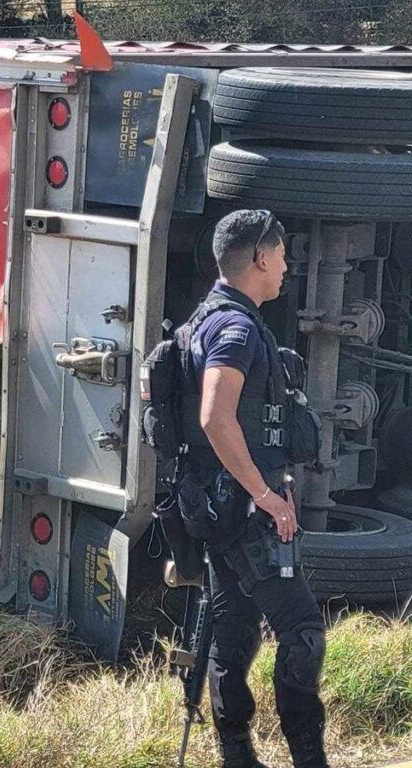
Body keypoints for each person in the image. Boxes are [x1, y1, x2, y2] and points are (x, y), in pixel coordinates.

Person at [179, 210, 328, 768]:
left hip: (216, 508)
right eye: (283, 255)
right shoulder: (236, 328)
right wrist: (265, 496)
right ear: (261, 258)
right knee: (304, 632)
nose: (287, 268)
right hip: (245, 508)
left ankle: (236, 756)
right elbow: (217, 416)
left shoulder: (202, 319)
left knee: (235, 631)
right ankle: (309, 760)